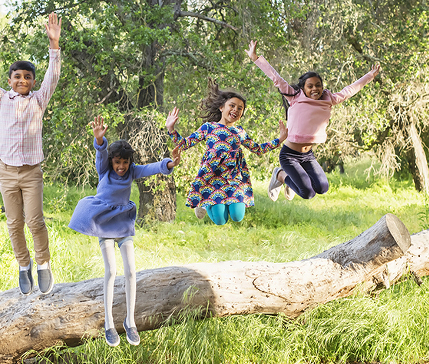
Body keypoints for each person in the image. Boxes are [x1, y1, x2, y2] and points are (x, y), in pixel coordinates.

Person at [0, 13, 62, 295]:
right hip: (6, 172)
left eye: (27, 77)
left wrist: (54, 43)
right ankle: (23, 265)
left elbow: (53, 76)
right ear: (10, 80)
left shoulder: (39, 100)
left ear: (32, 81)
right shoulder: (0, 98)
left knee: (35, 220)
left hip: (31, 173)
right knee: (14, 223)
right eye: (17, 76)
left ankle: (43, 264)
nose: (22, 80)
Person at [68, 115, 181, 347]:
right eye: (117, 162)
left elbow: (152, 168)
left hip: (124, 225)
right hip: (104, 225)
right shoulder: (104, 170)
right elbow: (101, 153)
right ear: (112, 162)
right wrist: (99, 139)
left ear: (129, 163)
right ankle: (109, 323)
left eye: (125, 163)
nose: (121, 167)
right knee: (111, 271)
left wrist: (170, 164)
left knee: (131, 272)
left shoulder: (131, 172)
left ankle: (130, 321)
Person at [246, 40, 381, 201]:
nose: (315, 89)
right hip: (289, 155)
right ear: (303, 88)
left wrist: (369, 76)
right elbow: (276, 78)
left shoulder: (329, 99)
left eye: (318, 85)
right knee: (307, 193)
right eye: (310, 86)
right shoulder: (294, 97)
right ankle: (280, 175)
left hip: (307, 155)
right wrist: (255, 58)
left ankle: (291, 182)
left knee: (322, 188)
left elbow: (349, 90)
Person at [165, 78, 287, 225]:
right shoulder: (208, 127)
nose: (235, 109)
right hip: (212, 179)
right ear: (222, 107)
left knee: (237, 216)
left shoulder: (239, 131)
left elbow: (257, 149)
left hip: (234, 179)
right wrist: (171, 129)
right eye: (232, 105)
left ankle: (209, 203)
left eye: (240, 108)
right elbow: (184, 144)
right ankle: (204, 203)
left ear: (242, 113)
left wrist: (279, 140)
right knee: (220, 221)